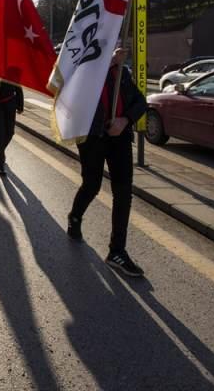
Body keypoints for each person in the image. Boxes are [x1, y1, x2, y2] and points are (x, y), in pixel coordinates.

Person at [67, 47, 147, 278]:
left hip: (119, 138)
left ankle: (117, 251)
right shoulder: (83, 70)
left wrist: (125, 119)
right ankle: (75, 215)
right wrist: (107, 62)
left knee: (123, 193)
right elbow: (73, 94)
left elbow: (140, 102)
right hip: (92, 138)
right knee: (91, 185)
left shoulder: (122, 74)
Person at [0, 74, 24, 177]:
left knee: (10, 132)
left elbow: (18, 85)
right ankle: (0, 163)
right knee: (0, 132)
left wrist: (20, 104)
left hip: (10, 102)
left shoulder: (13, 65)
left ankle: (0, 152)